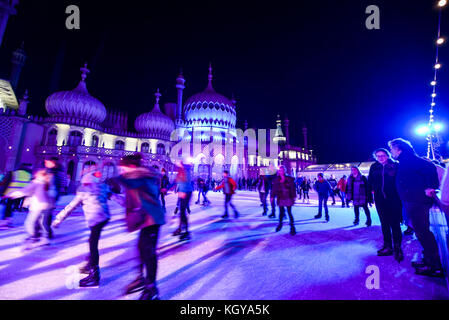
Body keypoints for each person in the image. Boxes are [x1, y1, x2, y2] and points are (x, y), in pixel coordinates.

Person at [389, 138, 443, 277]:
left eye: (392, 149)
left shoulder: (410, 159)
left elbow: (430, 167)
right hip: (412, 200)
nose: (391, 152)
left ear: (399, 149)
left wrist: (430, 186)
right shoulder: (405, 160)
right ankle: (428, 260)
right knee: (421, 232)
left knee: (423, 232)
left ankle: (434, 266)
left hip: (417, 201)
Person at [114, 154, 165, 299]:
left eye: (122, 168)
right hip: (145, 219)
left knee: (149, 252)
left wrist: (116, 179)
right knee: (141, 249)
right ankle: (141, 278)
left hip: (152, 219)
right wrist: (112, 195)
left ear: (131, 167)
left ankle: (151, 288)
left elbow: (131, 184)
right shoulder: (136, 178)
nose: (121, 171)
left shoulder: (141, 178)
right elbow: (130, 201)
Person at [52, 171, 110, 287]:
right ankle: (90, 264)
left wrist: (58, 219)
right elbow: (117, 198)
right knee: (92, 241)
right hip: (104, 217)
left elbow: (71, 207)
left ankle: (94, 275)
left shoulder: (83, 191)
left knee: (93, 244)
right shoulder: (102, 187)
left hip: (95, 218)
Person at [368, 148, 404, 262]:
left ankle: (397, 247)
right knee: (384, 223)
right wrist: (370, 196)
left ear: (388, 155)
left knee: (395, 223)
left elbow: (401, 181)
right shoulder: (374, 166)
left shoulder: (395, 165)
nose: (380, 158)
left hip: (394, 199)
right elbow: (370, 182)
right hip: (380, 200)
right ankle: (388, 246)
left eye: (383, 155)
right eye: (378, 156)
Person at [4, 169, 54, 248]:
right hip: (46, 206)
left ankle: (32, 237)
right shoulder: (45, 184)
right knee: (41, 223)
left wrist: (11, 194)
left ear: (41, 175)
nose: (35, 175)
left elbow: (25, 191)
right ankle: (44, 238)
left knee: (29, 223)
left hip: (38, 206)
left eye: (37, 174)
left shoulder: (36, 182)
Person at [42, 157, 66, 239]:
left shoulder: (55, 172)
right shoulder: (55, 171)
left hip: (51, 196)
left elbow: (57, 185)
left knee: (46, 215)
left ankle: (48, 232)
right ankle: (47, 231)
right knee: (45, 214)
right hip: (49, 195)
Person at [271, 165, 297, 235]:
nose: (280, 171)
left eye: (282, 170)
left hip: (288, 197)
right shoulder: (276, 179)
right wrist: (272, 196)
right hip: (281, 197)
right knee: (281, 212)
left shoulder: (289, 179)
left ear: (284, 171)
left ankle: (292, 227)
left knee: (289, 212)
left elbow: (293, 188)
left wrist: (294, 197)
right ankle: (280, 225)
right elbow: (274, 189)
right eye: (279, 170)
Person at [173, 161, 193, 240]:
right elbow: (177, 181)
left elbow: (186, 181)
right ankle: (180, 228)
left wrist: (183, 191)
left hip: (186, 192)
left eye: (177, 162)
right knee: (181, 212)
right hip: (182, 191)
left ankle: (186, 232)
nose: (176, 164)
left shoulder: (185, 171)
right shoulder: (181, 171)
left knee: (182, 212)